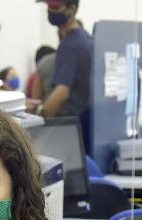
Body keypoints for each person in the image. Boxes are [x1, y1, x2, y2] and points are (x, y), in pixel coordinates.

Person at [36, 0, 93, 139]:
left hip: (69, 128)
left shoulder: (68, 45)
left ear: (71, 10)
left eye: (55, 7)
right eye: (48, 6)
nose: (49, 11)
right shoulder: (87, 39)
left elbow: (61, 93)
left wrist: (40, 118)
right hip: (87, 125)